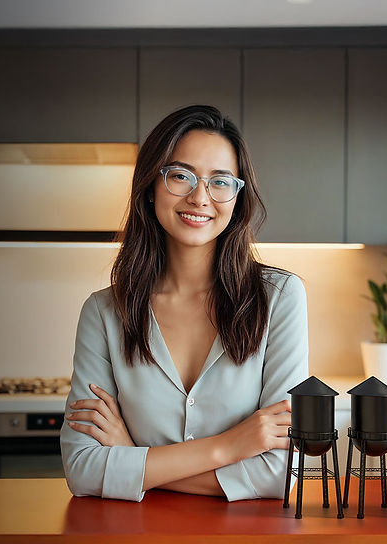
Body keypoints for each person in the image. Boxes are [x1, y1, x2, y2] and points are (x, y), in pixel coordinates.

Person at [59, 104, 309, 502]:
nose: (200, 197)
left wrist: (131, 459)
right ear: (151, 185)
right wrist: (227, 447)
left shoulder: (279, 298)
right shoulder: (104, 312)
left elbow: (281, 472)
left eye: (220, 181)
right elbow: (83, 469)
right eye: (180, 176)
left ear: (237, 196)